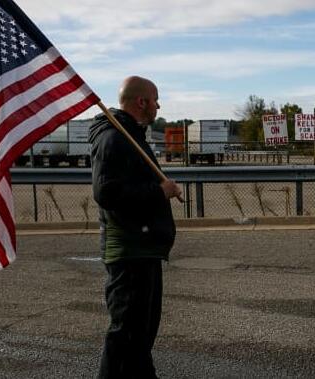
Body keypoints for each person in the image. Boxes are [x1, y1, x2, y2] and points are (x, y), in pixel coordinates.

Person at [90, 76, 182, 378]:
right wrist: (160, 192)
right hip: (129, 252)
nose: (159, 105)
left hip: (143, 250)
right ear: (141, 101)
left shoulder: (131, 135)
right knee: (126, 334)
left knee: (140, 336)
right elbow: (106, 193)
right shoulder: (114, 138)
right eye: (155, 99)